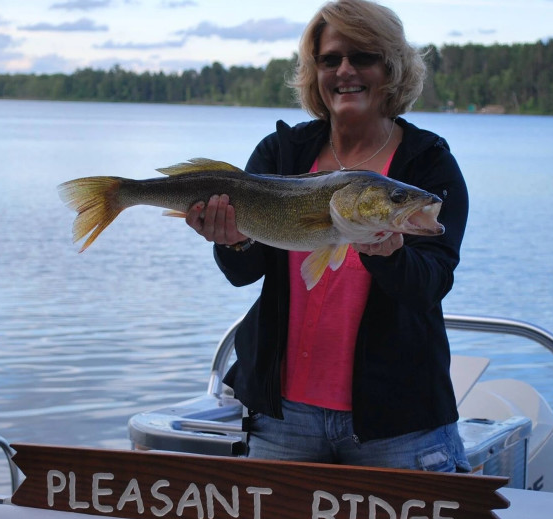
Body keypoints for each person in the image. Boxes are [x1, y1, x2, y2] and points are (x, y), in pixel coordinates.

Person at [185, 0, 470, 472]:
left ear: (392, 67)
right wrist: (229, 238)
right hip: (283, 417)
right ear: (313, 71)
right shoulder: (280, 152)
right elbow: (243, 272)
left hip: (397, 423)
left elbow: (431, 283)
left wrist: (390, 254)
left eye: (363, 57)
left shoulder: (428, 164)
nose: (345, 71)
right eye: (330, 59)